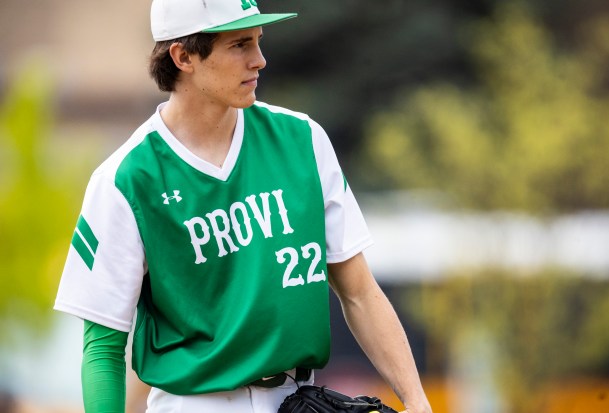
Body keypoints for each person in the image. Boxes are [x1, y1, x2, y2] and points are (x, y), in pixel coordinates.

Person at [54, 0, 433, 412]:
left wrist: (416, 401)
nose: (260, 60)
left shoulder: (302, 141)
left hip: (300, 399)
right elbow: (103, 349)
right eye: (239, 45)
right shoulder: (126, 180)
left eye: (258, 41)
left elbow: (358, 291)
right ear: (183, 56)